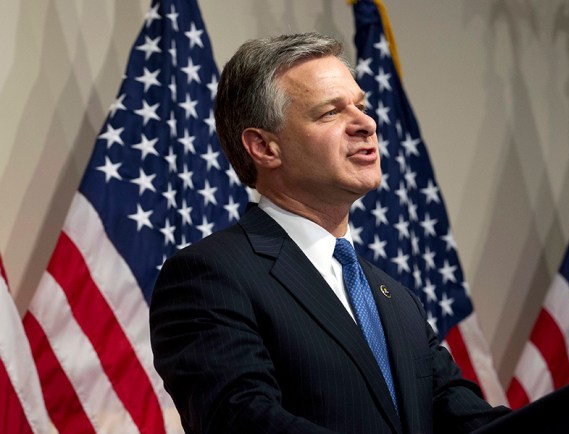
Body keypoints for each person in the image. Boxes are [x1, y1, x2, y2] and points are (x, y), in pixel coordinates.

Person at [149, 32, 511, 434]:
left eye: (361, 106)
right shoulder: (210, 275)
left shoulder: (396, 300)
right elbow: (244, 420)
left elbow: (468, 419)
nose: (366, 124)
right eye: (330, 113)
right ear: (265, 148)